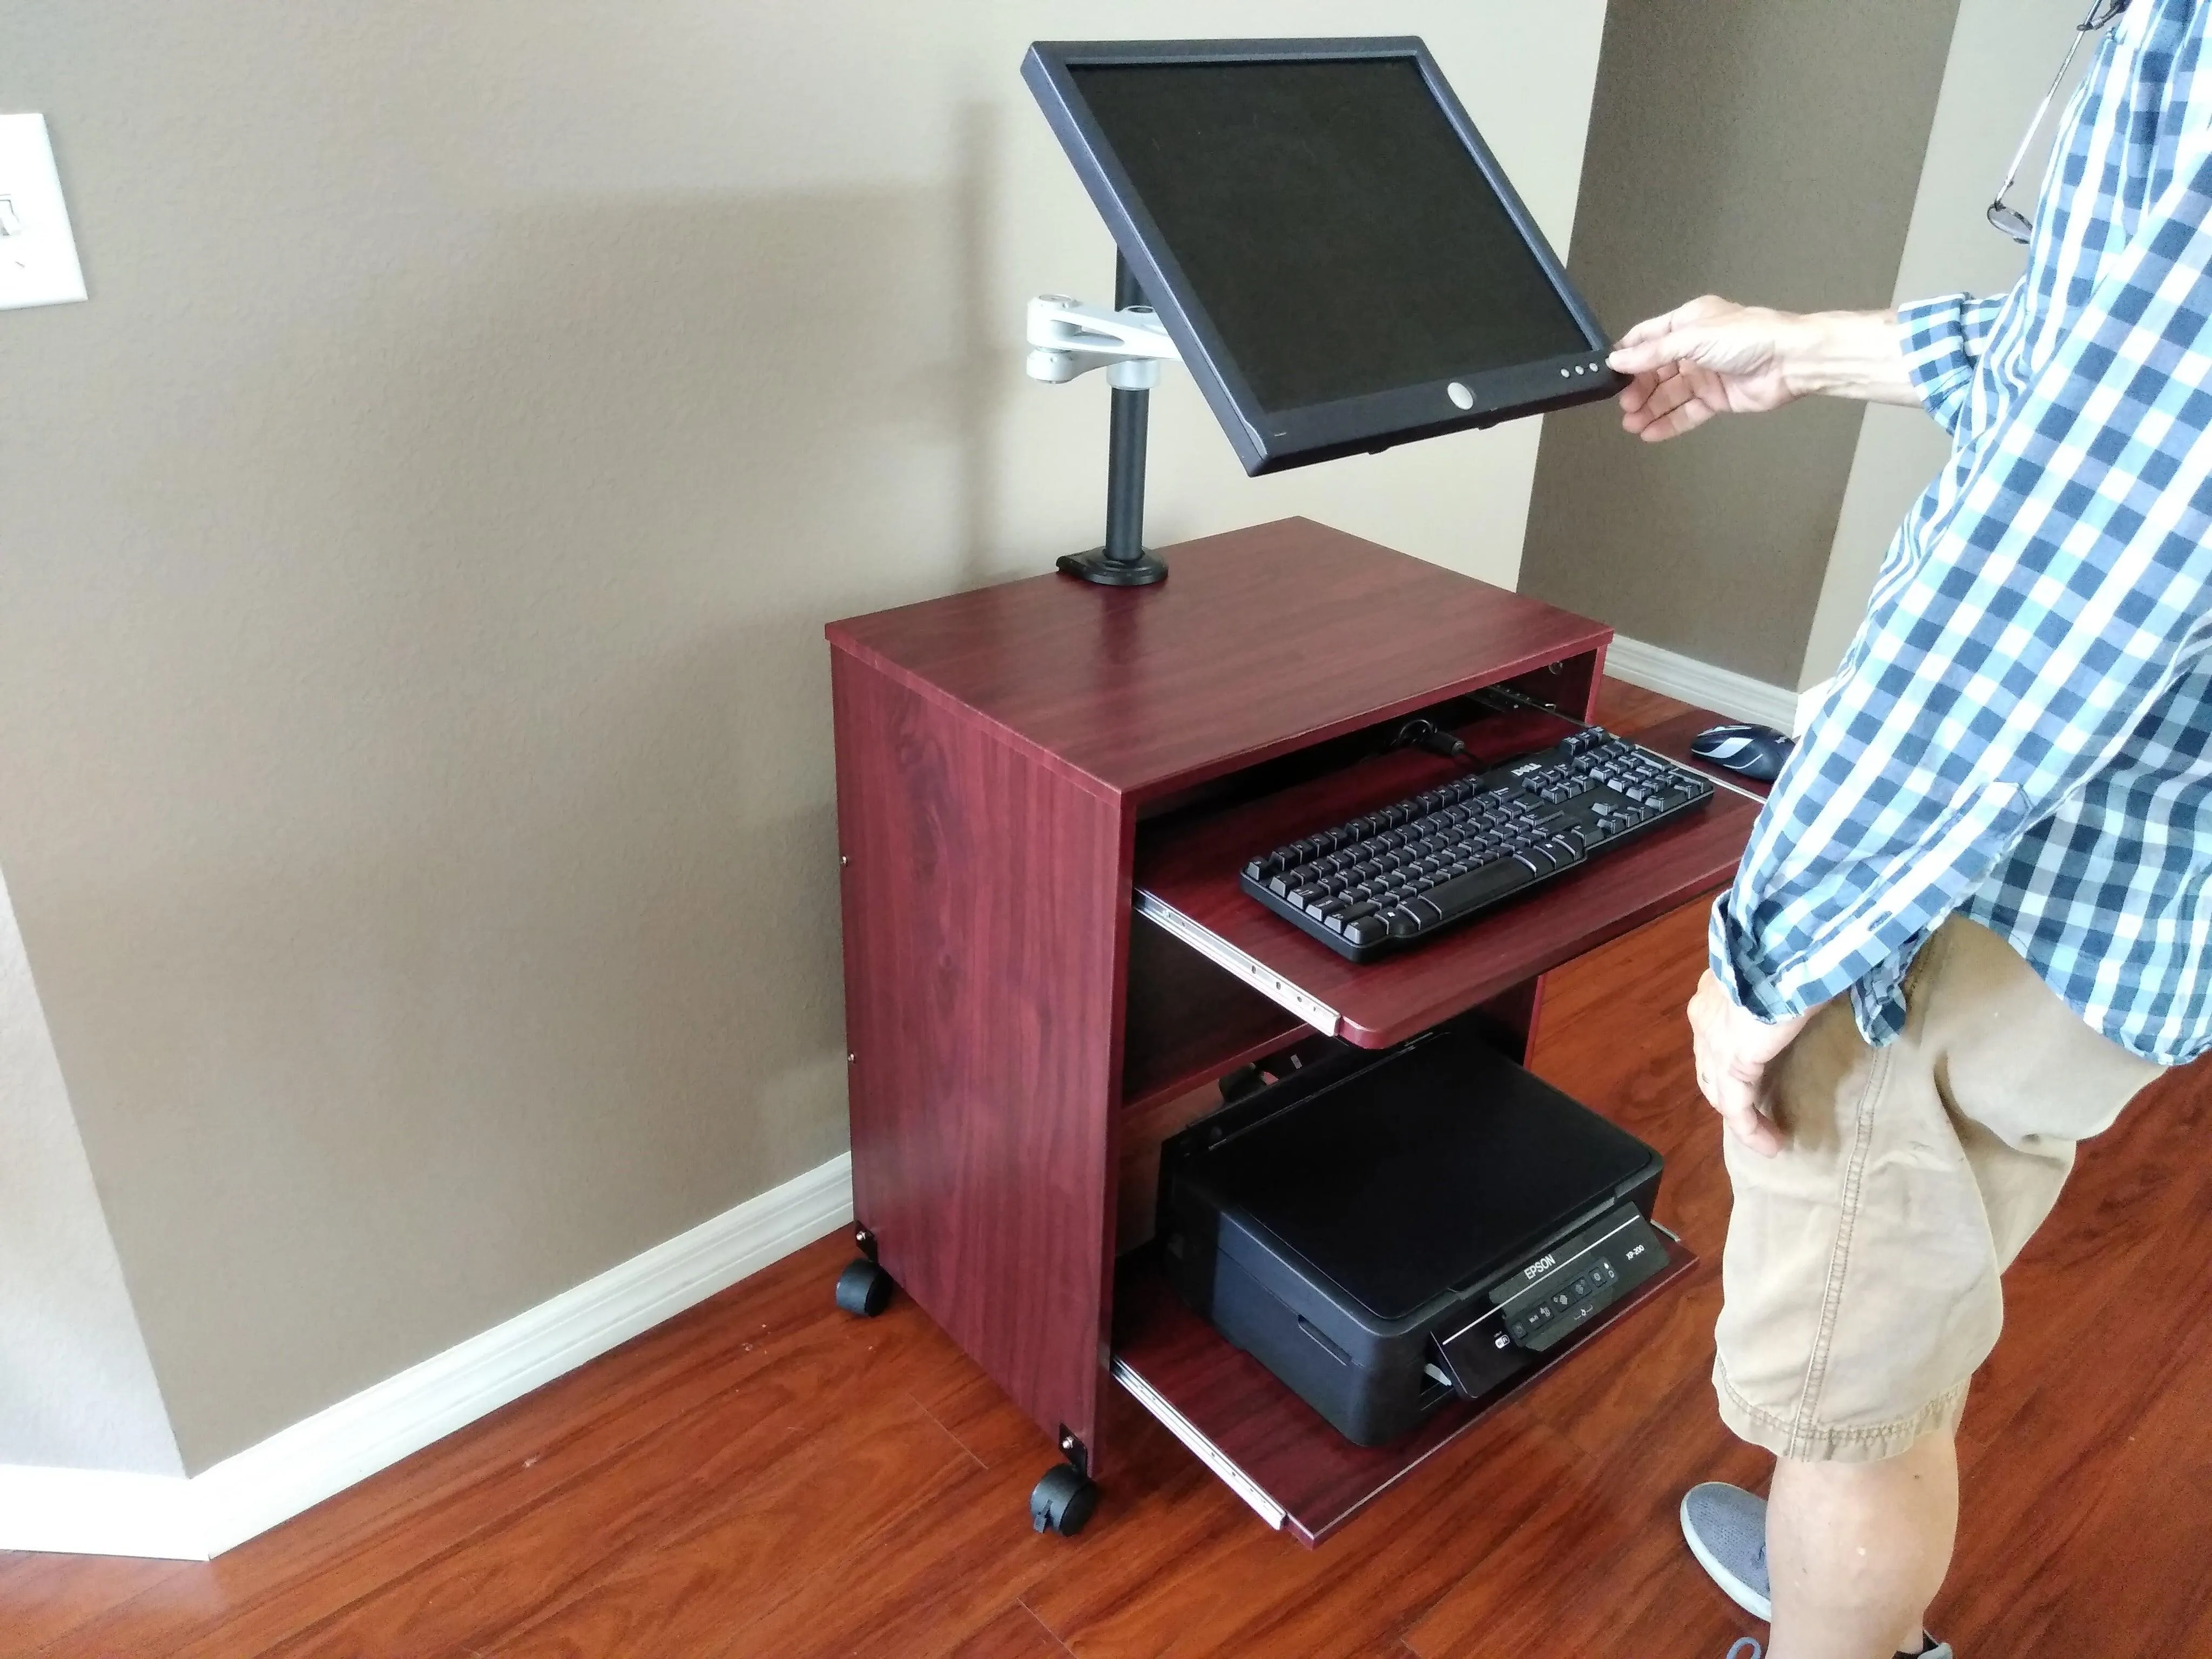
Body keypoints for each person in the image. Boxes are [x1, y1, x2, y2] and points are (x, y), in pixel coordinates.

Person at [1602, 3, 2211, 1656]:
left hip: (2010, 892)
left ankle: (1841, 1630)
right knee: (1916, 1301)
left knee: (1856, 1407)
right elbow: (2087, 361)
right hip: (2139, 890)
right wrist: (1793, 345)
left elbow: (2082, 556)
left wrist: (1774, 942)